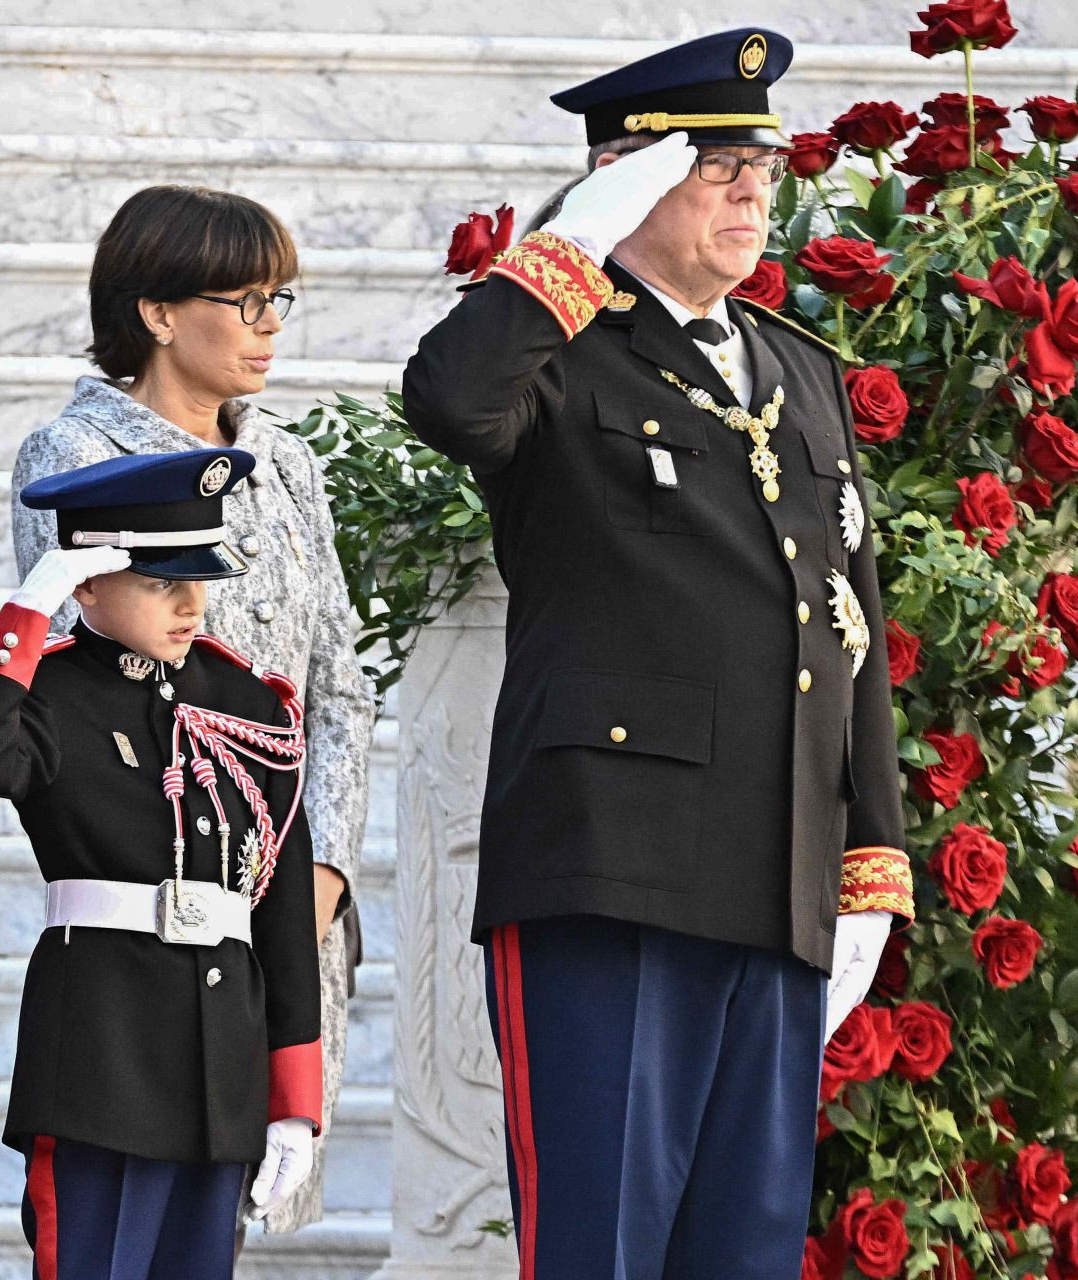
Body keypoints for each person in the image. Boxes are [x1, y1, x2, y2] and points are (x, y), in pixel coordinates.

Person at [401, 28, 914, 1277]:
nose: (755, 192)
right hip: (612, 864)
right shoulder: (560, 348)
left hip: (775, 870)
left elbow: (850, 622)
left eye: (765, 167)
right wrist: (575, 237)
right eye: (717, 166)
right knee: (601, 1245)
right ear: (631, 178)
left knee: (738, 1249)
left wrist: (871, 852)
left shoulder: (799, 368)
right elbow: (449, 402)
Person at [11, 185, 374, 1231]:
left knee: (232, 1209)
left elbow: (338, 682)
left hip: (285, 901)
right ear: (158, 312)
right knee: (126, 1217)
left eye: (280, 300)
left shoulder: (287, 461)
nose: (267, 325)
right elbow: (76, 688)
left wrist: (321, 872)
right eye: (245, 298)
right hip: (148, 920)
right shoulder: (72, 455)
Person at [0, 449, 323, 1280]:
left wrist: (294, 1103)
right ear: (87, 584)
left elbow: (282, 904)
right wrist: (29, 608)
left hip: (222, 1065)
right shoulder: (47, 693)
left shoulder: (248, 701)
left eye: (199, 577)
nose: (192, 603)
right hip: (99, 1060)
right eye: (158, 582)